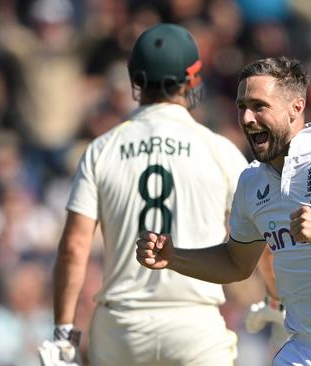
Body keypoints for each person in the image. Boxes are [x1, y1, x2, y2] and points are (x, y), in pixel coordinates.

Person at [136, 56, 311, 365]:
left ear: (296, 108)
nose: (247, 118)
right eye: (241, 107)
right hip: (304, 350)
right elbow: (236, 263)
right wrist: (173, 257)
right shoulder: (250, 182)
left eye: (259, 106)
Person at [42, 23, 248, 366]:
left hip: (122, 325)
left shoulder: (101, 149)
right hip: (194, 324)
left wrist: (64, 330)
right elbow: (259, 230)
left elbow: (74, 247)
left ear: (134, 79)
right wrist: (276, 299)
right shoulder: (218, 149)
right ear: (192, 78)